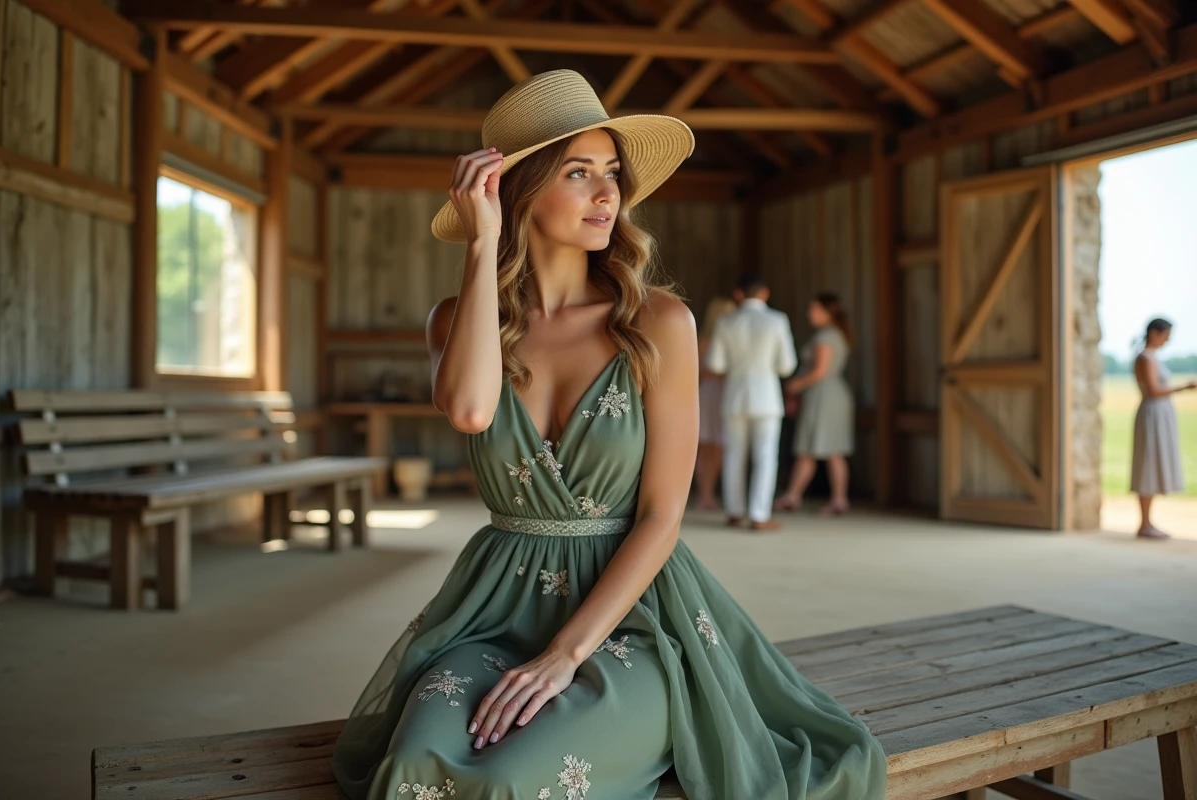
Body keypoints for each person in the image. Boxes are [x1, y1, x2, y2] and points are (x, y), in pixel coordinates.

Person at [331, 70, 885, 800]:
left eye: (612, 174)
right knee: (410, 774)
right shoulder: (458, 318)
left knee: (517, 781)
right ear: (517, 190)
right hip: (491, 614)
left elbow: (662, 517)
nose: (607, 195)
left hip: (633, 620)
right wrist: (479, 245)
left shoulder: (659, 323)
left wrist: (565, 654)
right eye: (579, 172)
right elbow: (468, 411)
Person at [704, 275, 798, 532]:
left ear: (738, 294)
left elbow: (715, 364)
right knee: (766, 456)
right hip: (766, 396)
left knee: (734, 453)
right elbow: (787, 365)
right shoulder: (777, 320)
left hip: (734, 394)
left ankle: (734, 511)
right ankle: (759, 513)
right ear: (765, 293)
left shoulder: (725, 322)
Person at [776, 293, 855, 516]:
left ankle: (828, 498)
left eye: (814, 309)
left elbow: (819, 371)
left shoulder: (826, 338)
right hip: (829, 395)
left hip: (824, 396)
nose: (810, 313)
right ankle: (800, 495)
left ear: (826, 312)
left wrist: (794, 386)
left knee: (819, 449)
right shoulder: (834, 335)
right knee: (823, 449)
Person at [1131, 318, 1196, 540]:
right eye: (1166, 335)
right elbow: (1153, 390)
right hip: (1153, 415)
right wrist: (1184, 387)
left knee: (1153, 464)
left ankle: (1147, 522)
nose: (1167, 340)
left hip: (1159, 414)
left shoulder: (1151, 357)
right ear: (1155, 333)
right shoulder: (1145, 358)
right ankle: (1145, 523)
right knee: (1147, 465)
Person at [693, 295, 738, 511]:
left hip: (728, 393)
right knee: (706, 446)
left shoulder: (733, 339)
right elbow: (699, 370)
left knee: (720, 447)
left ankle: (712, 493)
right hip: (710, 393)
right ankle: (705, 494)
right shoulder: (705, 340)